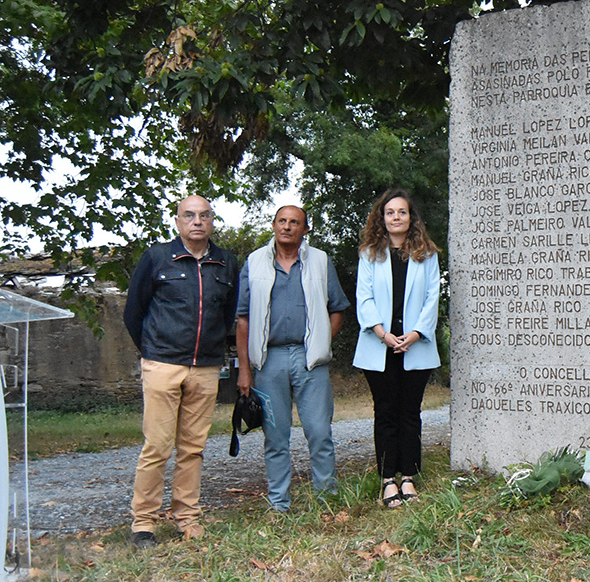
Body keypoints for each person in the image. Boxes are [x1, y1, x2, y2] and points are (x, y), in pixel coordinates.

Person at [123, 195, 239, 548]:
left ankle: (187, 517)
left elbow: (229, 313)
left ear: (212, 221)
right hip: (162, 364)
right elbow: (134, 311)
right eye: (189, 215)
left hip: (205, 368)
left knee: (193, 448)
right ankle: (143, 523)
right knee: (157, 446)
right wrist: (152, 353)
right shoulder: (157, 258)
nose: (197, 222)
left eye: (204, 215)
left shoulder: (226, 263)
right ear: (177, 221)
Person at [235, 206, 350, 512]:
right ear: (273, 225)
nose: (287, 227)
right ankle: (278, 504)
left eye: (294, 222)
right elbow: (243, 319)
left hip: (308, 358)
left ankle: (327, 500)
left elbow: (337, 309)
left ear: (305, 230)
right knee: (275, 437)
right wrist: (244, 370)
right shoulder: (254, 262)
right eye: (282, 221)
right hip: (268, 359)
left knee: (320, 432)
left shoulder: (321, 261)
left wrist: (321, 342)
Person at [353, 189, 442, 507]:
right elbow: (363, 297)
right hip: (380, 346)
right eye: (390, 212)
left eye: (401, 212)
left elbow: (433, 297)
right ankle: (388, 479)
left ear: (410, 217)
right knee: (386, 412)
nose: (395, 217)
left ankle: (409, 477)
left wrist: (416, 333)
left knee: (410, 414)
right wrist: (382, 333)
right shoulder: (369, 254)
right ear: (382, 218)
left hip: (415, 346)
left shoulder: (427, 254)